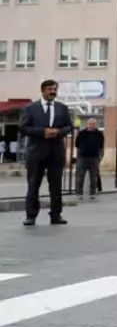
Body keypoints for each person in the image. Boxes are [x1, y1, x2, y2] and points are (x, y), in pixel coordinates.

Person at [18, 80, 74, 226]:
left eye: (55, 89)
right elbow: (23, 127)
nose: (53, 92)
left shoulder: (62, 108)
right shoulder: (31, 108)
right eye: (50, 89)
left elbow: (69, 126)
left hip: (56, 152)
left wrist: (58, 132)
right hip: (36, 153)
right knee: (33, 184)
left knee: (55, 185)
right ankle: (31, 216)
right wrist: (42, 132)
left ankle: (56, 215)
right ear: (43, 90)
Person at [74, 118, 104, 200]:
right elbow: (77, 144)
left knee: (93, 177)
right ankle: (79, 193)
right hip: (83, 158)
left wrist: (100, 157)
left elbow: (101, 146)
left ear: (95, 124)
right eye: (90, 124)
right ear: (87, 124)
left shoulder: (99, 134)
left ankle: (92, 193)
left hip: (94, 158)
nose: (91, 125)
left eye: (93, 124)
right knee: (80, 176)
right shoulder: (82, 133)